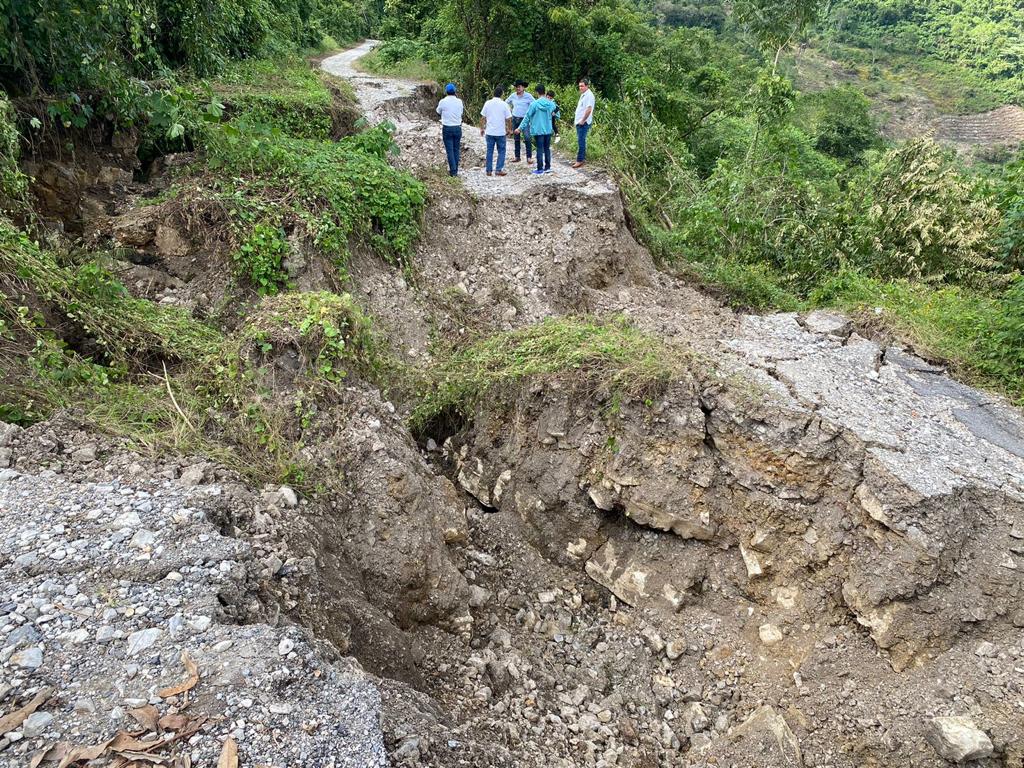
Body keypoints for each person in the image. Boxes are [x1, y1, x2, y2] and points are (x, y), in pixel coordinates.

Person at [514, 85, 558, 176]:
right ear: (545, 92)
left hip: (538, 130)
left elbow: (527, 117)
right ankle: (547, 167)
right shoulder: (551, 103)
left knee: (539, 149)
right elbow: (557, 114)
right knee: (547, 148)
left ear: (537, 92)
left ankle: (540, 169)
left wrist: (519, 128)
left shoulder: (534, 104)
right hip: (548, 130)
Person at [480, 86, 512, 177]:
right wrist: (509, 129)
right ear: (502, 94)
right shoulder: (504, 104)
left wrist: (482, 128)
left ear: (493, 93)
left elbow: (483, 117)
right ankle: (498, 169)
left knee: (489, 151)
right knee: (501, 150)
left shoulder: (487, 103)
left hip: (489, 132)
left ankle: (489, 171)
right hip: (500, 132)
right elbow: (509, 119)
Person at [436, 83, 464, 176]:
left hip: (447, 127)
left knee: (449, 150)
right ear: (455, 91)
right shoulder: (459, 101)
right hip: (457, 127)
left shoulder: (443, 101)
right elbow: (461, 112)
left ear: (446, 91)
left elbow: (438, 111)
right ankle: (455, 169)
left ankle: (453, 171)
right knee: (456, 149)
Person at [505, 80, 534, 164]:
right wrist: (509, 111)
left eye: (519, 86)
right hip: (515, 119)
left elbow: (534, 105)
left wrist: (531, 116)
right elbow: (506, 103)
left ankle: (529, 157)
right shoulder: (513, 95)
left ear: (523, 87)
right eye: (516, 87)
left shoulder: (528, 96)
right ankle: (517, 157)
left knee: (527, 137)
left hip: (524, 120)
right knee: (516, 138)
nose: (517, 88)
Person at [573, 77, 595, 169]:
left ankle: (580, 160)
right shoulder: (584, 94)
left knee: (581, 141)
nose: (580, 88)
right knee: (580, 140)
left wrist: (582, 120)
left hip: (583, 123)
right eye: (579, 86)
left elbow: (589, 109)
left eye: (582, 86)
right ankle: (581, 158)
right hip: (580, 122)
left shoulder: (589, 95)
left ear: (587, 86)